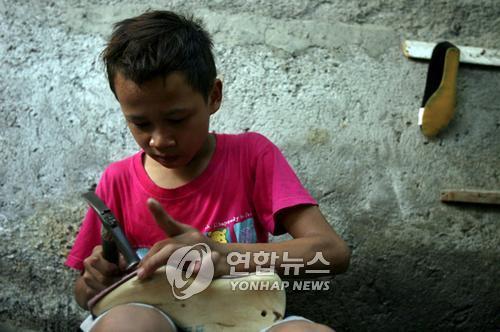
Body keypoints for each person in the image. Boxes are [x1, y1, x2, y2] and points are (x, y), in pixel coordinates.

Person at [65, 10, 350, 332]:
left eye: (177, 119)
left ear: (213, 97)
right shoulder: (117, 181)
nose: (160, 140)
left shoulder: (251, 156)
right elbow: (83, 293)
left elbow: (332, 254)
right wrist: (96, 281)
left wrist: (227, 257)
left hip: (244, 318)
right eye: (140, 123)